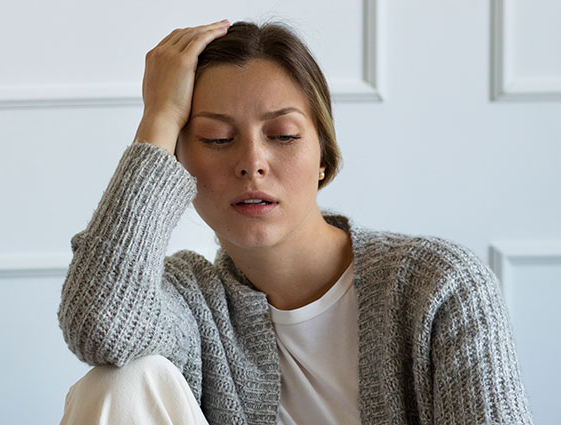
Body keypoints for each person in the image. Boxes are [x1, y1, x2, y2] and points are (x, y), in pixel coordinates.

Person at [57, 19, 534, 425]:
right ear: (178, 166)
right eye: (217, 138)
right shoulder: (192, 302)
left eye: (282, 135)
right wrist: (159, 117)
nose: (252, 162)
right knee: (117, 381)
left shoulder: (439, 285)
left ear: (323, 156)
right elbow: (101, 325)